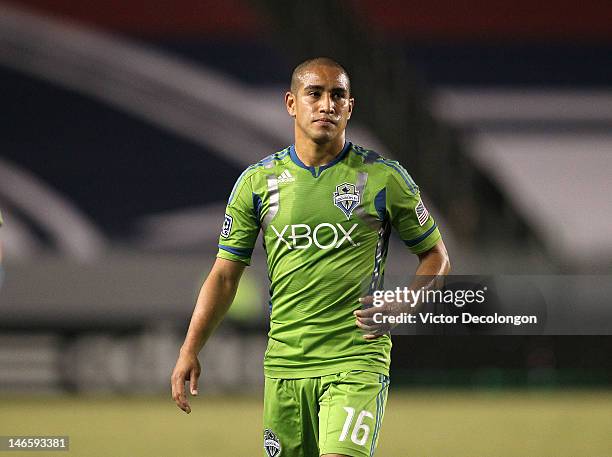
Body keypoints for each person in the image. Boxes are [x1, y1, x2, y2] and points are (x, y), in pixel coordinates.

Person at [171, 57, 450, 457]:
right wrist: (189, 348)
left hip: (356, 359)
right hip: (286, 366)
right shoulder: (257, 183)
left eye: (338, 95)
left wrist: (404, 304)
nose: (326, 105)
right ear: (291, 103)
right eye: (314, 93)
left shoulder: (384, 178)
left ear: (350, 107)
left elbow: (436, 257)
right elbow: (224, 276)